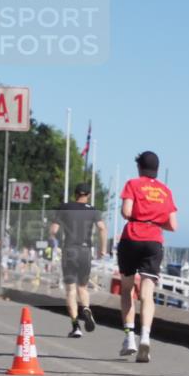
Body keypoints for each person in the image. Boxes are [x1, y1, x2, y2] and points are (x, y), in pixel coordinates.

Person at [117, 151, 178, 362]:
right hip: (154, 241)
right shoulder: (165, 191)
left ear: (139, 167)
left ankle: (129, 338)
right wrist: (155, 219)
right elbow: (173, 225)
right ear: (157, 169)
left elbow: (126, 212)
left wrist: (137, 214)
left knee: (127, 290)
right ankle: (145, 336)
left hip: (132, 237)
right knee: (147, 294)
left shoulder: (132, 184)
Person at [50, 182, 108, 337]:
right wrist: (103, 249)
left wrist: (55, 237)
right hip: (85, 251)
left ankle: (76, 326)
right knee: (82, 288)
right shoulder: (93, 210)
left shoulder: (65, 207)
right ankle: (87, 309)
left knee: (70, 290)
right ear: (88, 195)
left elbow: (53, 230)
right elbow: (102, 228)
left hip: (69, 250)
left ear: (75, 194)